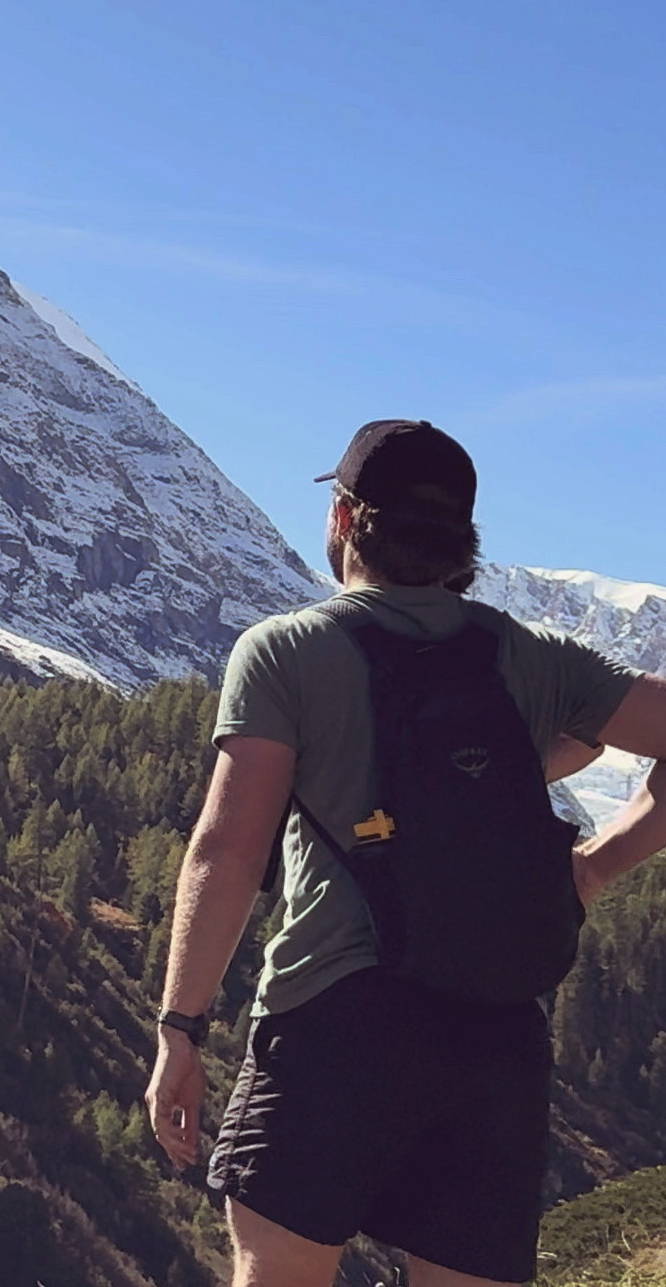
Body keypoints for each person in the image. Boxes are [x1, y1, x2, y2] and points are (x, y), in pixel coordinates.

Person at [144, 418, 666, 1287]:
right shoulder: (530, 659)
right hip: (496, 1036)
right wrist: (598, 866)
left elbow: (225, 852)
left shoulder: (286, 652)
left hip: (335, 1022)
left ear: (345, 520)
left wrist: (179, 1030)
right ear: (462, 539)